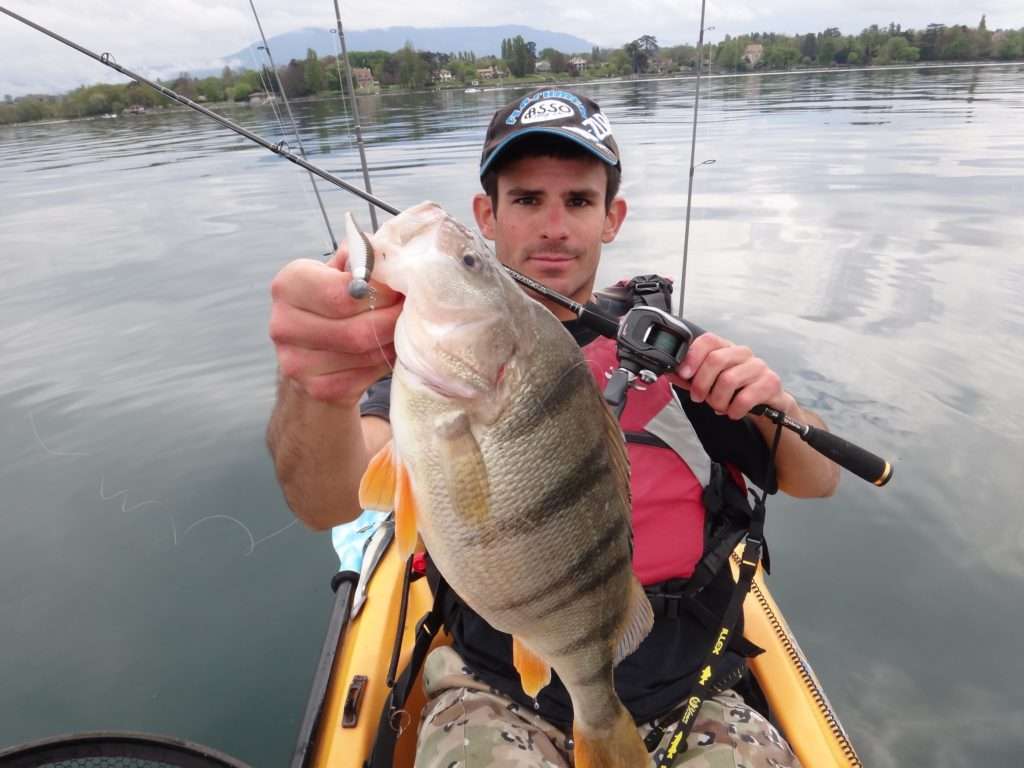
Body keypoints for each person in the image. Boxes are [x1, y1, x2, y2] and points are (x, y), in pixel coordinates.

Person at [267, 88, 839, 767]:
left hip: (692, 689)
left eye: (577, 201)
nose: (554, 226)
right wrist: (316, 389)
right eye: (528, 199)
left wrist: (782, 409)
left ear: (611, 217)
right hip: (496, 686)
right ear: (488, 214)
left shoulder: (677, 353)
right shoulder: (424, 362)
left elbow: (817, 480)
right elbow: (323, 502)